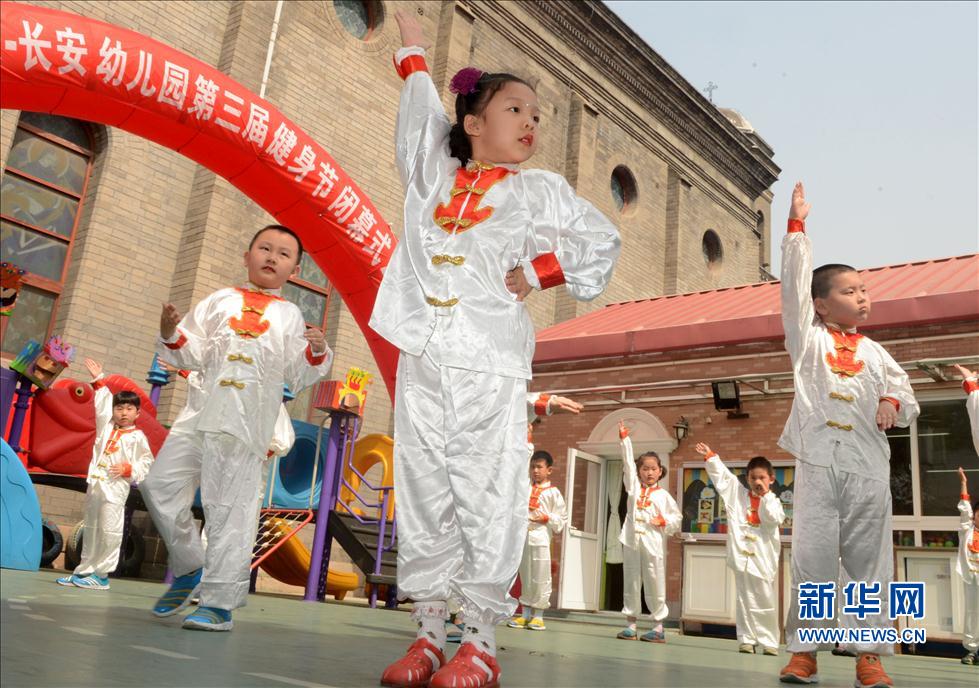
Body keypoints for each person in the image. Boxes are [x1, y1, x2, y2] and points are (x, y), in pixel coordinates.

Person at [373, 10, 620, 688]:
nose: (530, 122)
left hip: (489, 361)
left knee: (485, 488)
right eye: (515, 109)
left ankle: (478, 642)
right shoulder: (433, 175)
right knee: (423, 487)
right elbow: (420, 118)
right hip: (424, 356)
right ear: (474, 123)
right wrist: (413, 52)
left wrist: (541, 271)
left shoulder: (538, 191)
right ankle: (428, 635)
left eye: (537, 115)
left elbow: (600, 240)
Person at [143, 224, 332, 631]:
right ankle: (191, 564)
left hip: (245, 423)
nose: (271, 257)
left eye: (283, 254)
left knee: (230, 509)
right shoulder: (219, 300)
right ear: (247, 256)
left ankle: (219, 604)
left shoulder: (289, 315)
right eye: (264, 248)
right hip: (199, 413)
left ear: (295, 269)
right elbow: (192, 353)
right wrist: (170, 332)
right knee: (158, 485)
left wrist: (317, 351)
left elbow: (297, 373)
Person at [778, 183, 919, 687]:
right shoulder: (806, 340)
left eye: (864, 290)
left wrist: (890, 401)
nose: (862, 297)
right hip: (818, 465)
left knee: (868, 562)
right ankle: (805, 652)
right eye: (850, 291)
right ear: (820, 305)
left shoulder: (878, 354)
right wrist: (797, 231)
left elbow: (906, 393)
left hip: (868, 469)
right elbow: (793, 291)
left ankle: (868, 655)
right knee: (813, 559)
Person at [56, 358, 154, 590]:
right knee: (91, 528)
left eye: (129, 409)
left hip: (115, 487)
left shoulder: (137, 437)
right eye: (119, 408)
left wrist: (129, 470)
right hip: (97, 485)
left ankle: (101, 575)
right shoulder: (107, 428)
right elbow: (102, 406)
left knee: (110, 529)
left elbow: (147, 463)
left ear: (137, 413)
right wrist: (99, 380)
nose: (123, 413)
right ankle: (84, 570)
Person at [695, 443, 785, 655]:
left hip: (762, 559)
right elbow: (724, 478)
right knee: (743, 599)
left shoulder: (774, 501)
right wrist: (711, 456)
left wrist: (765, 496)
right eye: (753, 478)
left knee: (764, 598)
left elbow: (774, 519)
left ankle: (769, 642)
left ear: (771, 479)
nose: (757, 481)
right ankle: (747, 639)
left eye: (762, 477)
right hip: (741, 557)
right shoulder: (737, 495)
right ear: (747, 479)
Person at [616, 421, 681, 643]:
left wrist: (663, 521)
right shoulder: (633, 488)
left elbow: (676, 519)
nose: (649, 472)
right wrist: (625, 440)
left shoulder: (664, 496)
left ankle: (658, 626)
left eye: (653, 468)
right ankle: (631, 625)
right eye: (645, 468)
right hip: (632, 540)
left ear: (660, 471)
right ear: (639, 471)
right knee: (631, 580)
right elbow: (627, 464)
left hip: (652, 542)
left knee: (655, 580)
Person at [507, 450, 567, 631]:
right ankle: (525, 614)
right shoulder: (525, 489)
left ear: (549, 470)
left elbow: (562, 518)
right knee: (526, 576)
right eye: (533, 467)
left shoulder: (553, 493)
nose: (535, 471)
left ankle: (538, 616)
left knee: (541, 576)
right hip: (523, 538)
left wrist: (547, 518)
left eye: (539, 467)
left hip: (541, 539)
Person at [955, 466, 979, 665]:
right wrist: (963, 482)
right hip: (971, 579)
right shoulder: (966, 529)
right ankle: (972, 651)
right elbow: (964, 505)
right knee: (972, 614)